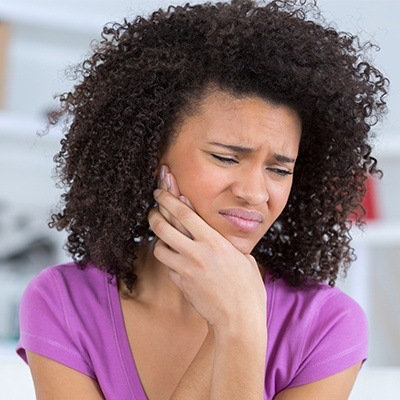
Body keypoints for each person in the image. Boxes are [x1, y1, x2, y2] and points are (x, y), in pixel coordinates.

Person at [16, 0, 388, 399]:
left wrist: (239, 326)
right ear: (152, 154)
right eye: (226, 158)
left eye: (279, 170)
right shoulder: (63, 303)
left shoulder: (326, 324)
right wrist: (233, 322)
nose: (255, 193)